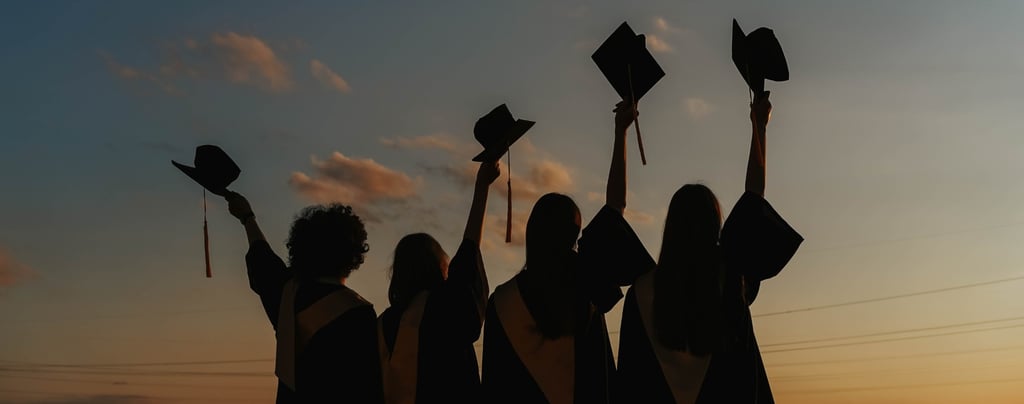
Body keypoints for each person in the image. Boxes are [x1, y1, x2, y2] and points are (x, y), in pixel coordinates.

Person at [614, 93, 803, 403]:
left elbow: (631, 382)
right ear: (715, 228)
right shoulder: (730, 281)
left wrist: (620, 133)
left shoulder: (642, 292)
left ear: (670, 228)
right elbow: (753, 200)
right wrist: (759, 127)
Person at [225, 192, 384, 404]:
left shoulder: (286, 294)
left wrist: (247, 217)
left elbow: (262, 259)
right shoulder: (359, 315)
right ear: (353, 253)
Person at [377, 160, 500, 403]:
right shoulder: (445, 308)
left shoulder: (382, 325)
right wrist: (481, 187)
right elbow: (469, 252)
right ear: (439, 267)